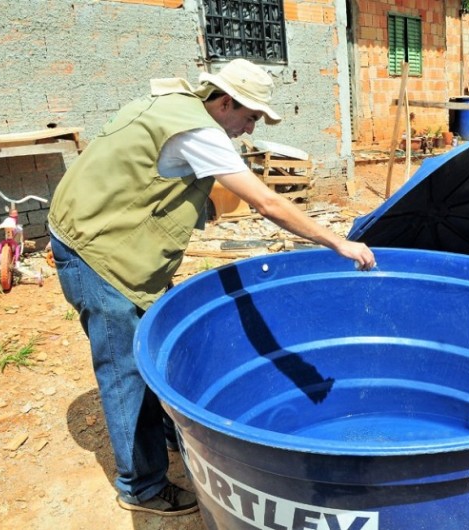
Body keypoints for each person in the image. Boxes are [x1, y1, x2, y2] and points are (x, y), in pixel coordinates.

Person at [47, 58, 375, 516]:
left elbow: (145, 174)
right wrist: (336, 241)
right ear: (224, 103)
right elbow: (264, 200)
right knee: (125, 371)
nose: (249, 129)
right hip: (97, 252)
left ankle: (170, 430)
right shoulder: (201, 132)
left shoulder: (173, 102)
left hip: (103, 233)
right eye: (249, 117)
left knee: (155, 347)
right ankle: (141, 487)